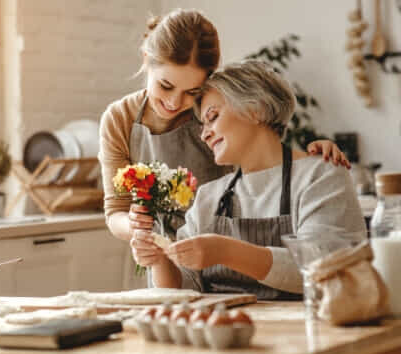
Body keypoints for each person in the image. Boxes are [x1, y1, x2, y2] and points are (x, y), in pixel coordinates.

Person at [98, 8, 350, 247]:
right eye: (165, 86)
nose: (174, 102)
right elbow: (115, 212)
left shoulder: (213, 111)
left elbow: (263, 159)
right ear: (146, 59)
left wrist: (309, 159)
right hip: (161, 255)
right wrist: (135, 226)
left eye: (192, 91)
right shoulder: (119, 119)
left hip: (226, 254)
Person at [131, 60, 366, 299]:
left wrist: (226, 251)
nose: (204, 134)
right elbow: (185, 289)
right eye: (202, 124)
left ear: (256, 110)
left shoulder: (320, 175)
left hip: (307, 330)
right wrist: (160, 261)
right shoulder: (209, 196)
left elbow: (325, 268)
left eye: (213, 117)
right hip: (226, 331)